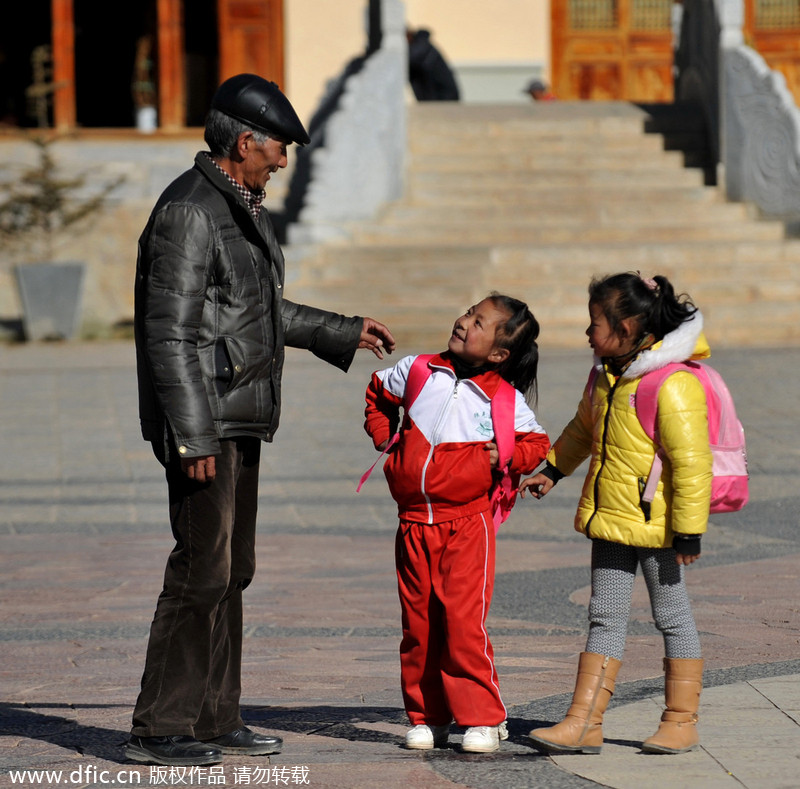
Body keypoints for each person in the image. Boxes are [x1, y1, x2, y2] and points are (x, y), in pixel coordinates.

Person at [128, 72, 396, 768]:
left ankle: (215, 715)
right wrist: (190, 433)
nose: (283, 160)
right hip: (206, 419)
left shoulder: (239, 206)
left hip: (237, 414)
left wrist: (341, 329)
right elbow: (170, 333)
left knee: (232, 567)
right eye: (278, 148)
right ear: (245, 141)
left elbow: (257, 311)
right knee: (200, 568)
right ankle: (160, 725)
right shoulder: (190, 212)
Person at [520, 272, 712, 755]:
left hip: (658, 528)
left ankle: (681, 719)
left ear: (626, 327)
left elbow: (692, 462)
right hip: (611, 519)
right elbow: (584, 429)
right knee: (603, 616)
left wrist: (688, 531)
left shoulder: (671, 384)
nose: (588, 333)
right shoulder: (605, 376)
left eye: (594, 323)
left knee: (672, 616)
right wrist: (553, 469)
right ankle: (584, 721)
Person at [364, 294, 550, 753]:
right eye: (468, 312)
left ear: (499, 354)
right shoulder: (417, 369)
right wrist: (388, 440)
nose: (464, 321)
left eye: (479, 321)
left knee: (464, 623)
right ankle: (427, 717)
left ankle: (483, 718)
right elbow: (377, 393)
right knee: (419, 625)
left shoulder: (503, 398)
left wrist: (503, 455)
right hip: (412, 524)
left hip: (468, 526)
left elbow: (536, 443)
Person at [406, 27, 460, 101]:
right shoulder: (420, 47)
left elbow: (411, 61)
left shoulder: (421, 47)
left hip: (443, 98)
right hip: (437, 98)